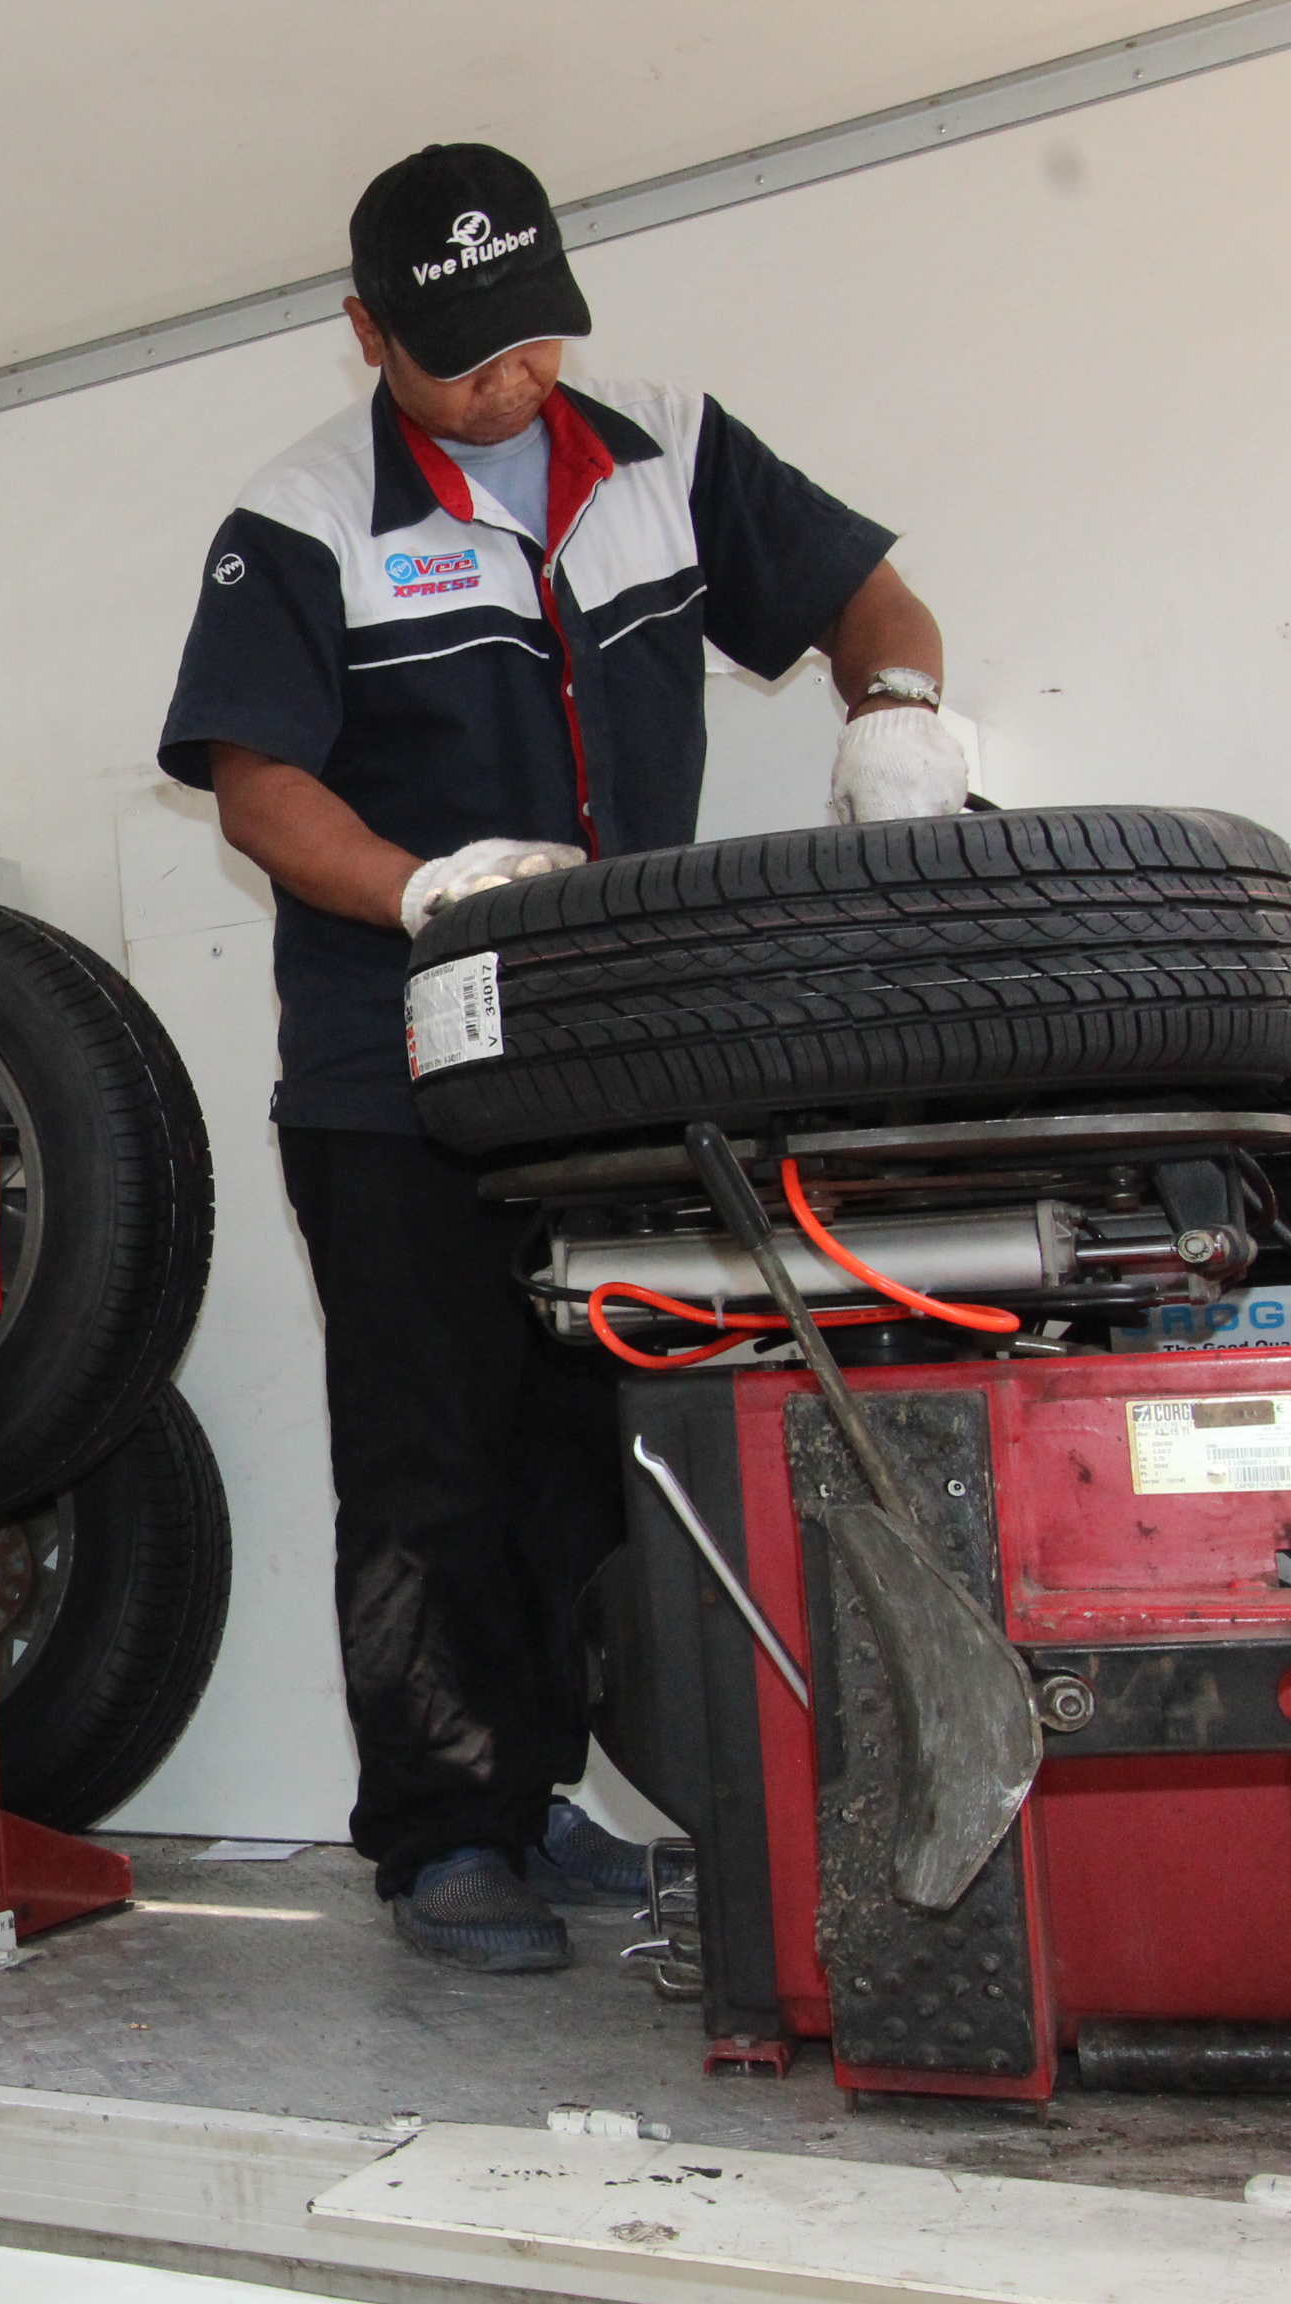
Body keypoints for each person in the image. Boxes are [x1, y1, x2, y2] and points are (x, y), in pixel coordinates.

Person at [156, 144, 969, 1973]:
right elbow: (260, 787)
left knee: (592, 1442)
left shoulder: (668, 448)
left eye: (534, 338)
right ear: (367, 331)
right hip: (399, 1063)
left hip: (609, 1061)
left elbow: (873, 603)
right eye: (464, 360)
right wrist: (421, 889)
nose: (512, 381)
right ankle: (444, 1834)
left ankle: (536, 1799)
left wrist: (899, 717)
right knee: (429, 1451)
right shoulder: (305, 516)